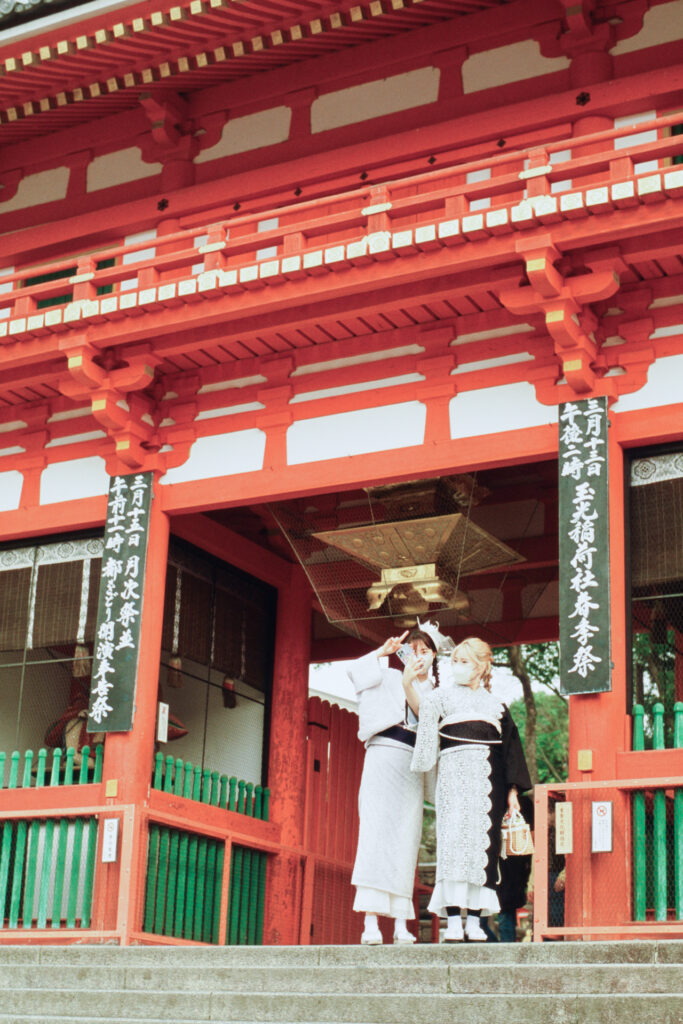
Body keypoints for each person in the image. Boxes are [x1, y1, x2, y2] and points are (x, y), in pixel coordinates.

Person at [404, 636, 531, 942]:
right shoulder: (441, 697)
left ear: (480, 666)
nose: (457, 667)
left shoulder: (497, 706)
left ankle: (474, 920)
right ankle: (454, 922)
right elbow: (423, 714)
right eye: (454, 661)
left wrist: (513, 792)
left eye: (464, 662)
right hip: (453, 779)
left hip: (488, 783)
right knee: (452, 846)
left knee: (481, 848)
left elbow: (510, 751)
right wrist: (409, 684)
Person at [347, 624, 442, 945]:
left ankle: (402, 923)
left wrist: (409, 683)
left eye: (425, 651)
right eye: (412, 650)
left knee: (405, 839)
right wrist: (381, 652)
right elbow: (354, 672)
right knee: (373, 836)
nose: (418, 656)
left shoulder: (436, 692)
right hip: (381, 756)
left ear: (434, 657)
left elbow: (427, 719)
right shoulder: (385, 675)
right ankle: (370, 923)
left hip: (411, 765)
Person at [497, 791, 534, 942]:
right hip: (502, 862)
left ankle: (506, 948)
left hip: (516, 862)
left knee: (506, 912)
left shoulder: (524, 803)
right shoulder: (495, 800)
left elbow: (533, 834)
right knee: (502, 914)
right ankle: (503, 947)